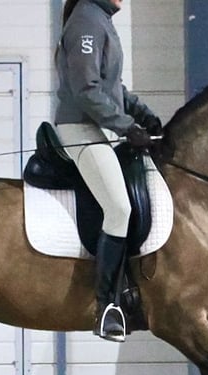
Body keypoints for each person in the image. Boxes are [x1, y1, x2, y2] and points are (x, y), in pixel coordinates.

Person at [54, 0, 163, 343]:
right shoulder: (86, 20)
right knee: (119, 208)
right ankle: (106, 308)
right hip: (79, 128)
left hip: (95, 127)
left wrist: (143, 114)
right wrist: (126, 126)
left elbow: (112, 87)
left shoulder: (100, 19)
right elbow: (86, 89)